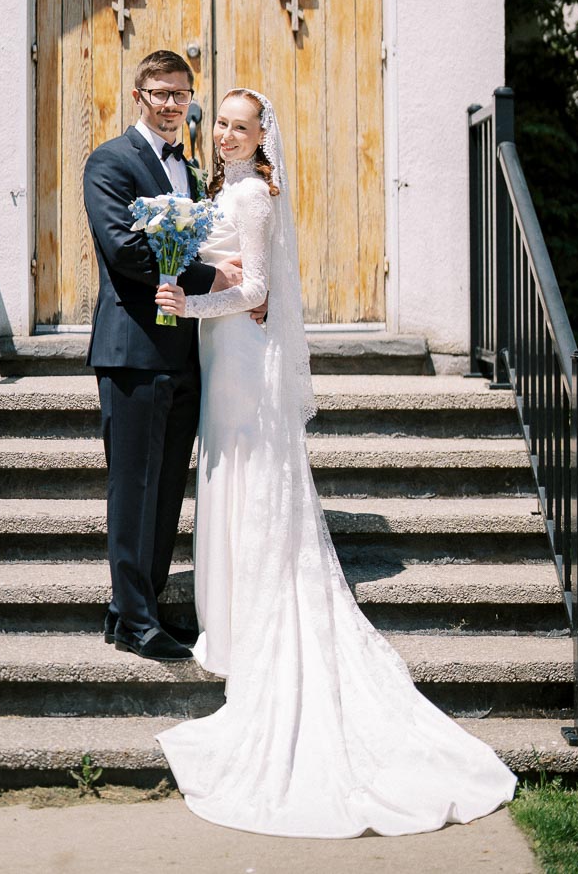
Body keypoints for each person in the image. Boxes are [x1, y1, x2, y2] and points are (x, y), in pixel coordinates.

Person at [153, 88, 518, 838]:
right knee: (227, 477)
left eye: (240, 126)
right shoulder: (223, 187)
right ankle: (225, 626)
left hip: (243, 363)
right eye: (219, 122)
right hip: (223, 357)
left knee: (249, 481)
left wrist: (189, 305)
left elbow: (256, 290)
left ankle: (246, 629)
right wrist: (197, 283)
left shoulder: (251, 195)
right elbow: (234, 280)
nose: (225, 134)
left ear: (262, 139)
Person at [82, 50, 249, 664]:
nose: (172, 103)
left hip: (185, 352)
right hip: (132, 350)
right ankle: (133, 618)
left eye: (181, 93)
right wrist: (212, 276)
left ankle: (136, 608)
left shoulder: (189, 166)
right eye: (160, 92)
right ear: (139, 94)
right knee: (134, 487)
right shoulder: (110, 162)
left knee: (166, 490)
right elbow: (126, 252)